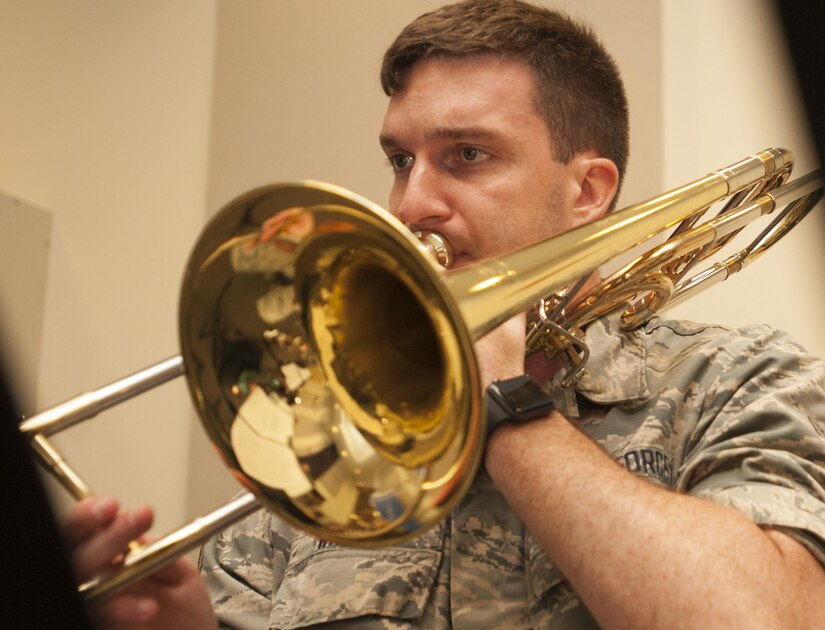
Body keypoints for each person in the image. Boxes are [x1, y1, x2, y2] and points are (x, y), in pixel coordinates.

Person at [62, 1, 825, 628]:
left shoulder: (737, 380)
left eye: (466, 155)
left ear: (587, 192)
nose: (409, 204)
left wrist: (507, 408)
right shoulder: (329, 428)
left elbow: (765, 616)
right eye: (401, 160)